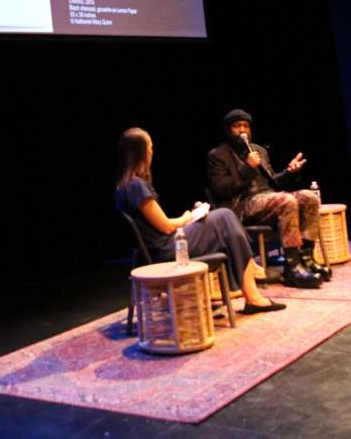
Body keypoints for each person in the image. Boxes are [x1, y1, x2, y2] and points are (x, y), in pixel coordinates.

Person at [116, 127, 286, 315]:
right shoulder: (136, 186)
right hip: (166, 249)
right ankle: (252, 284)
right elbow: (165, 227)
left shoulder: (125, 186)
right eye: (150, 147)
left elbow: (158, 224)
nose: (152, 152)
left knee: (222, 220)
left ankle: (250, 279)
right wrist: (187, 217)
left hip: (163, 244)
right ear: (141, 152)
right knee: (224, 216)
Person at [206, 108, 331, 289]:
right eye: (237, 126)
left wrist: (289, 172)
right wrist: (247, 167)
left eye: (246, 126)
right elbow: (220, 191)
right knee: (286, 201)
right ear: (227, 130)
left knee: (308, 197)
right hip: (242, 206)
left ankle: (307, 258)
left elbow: (273, 183)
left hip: (269, 199)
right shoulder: (217, 155)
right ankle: (292, 267)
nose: (242, 130)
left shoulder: (259, 151)